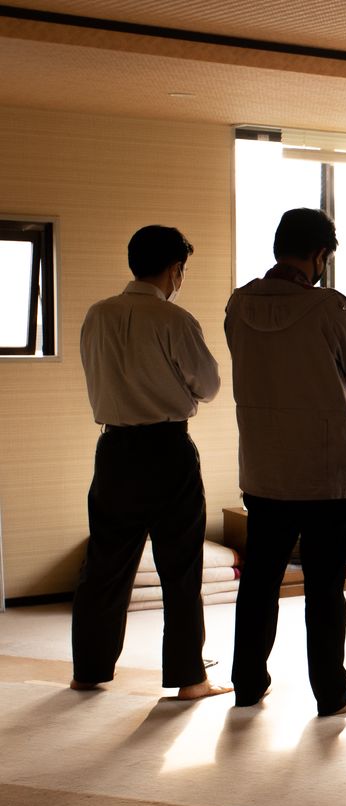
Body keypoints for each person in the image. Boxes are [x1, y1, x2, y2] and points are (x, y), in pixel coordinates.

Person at [225, 208, 346, 717]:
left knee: (261, 582)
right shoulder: (331, 309)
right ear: (320, 256)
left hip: (263, 466)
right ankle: (331, 693)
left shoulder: (237, 304)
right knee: (325, 590)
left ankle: (247, 683)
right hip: (324, 470)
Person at [72, 225, 228, 700]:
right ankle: (189, 678)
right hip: (167, 450)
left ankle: (89, 670)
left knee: (105, 564)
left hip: (114, 449)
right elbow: (208, 386)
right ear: (175, 269)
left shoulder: (97, 315)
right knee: (180, 567)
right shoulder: (174, 320)